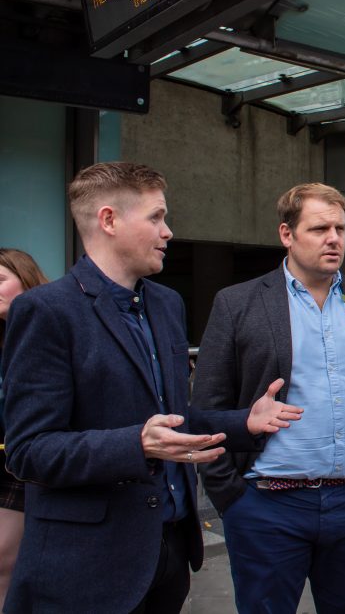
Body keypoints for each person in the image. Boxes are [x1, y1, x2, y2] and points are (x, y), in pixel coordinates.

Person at [1, 162, 302, 614]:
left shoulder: (165, 304)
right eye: (156, 217)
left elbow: (172, 419)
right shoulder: (47, 311)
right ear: (108, 220)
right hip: (86, 566)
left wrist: (245, 422)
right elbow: (28, 450)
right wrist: (136, 443)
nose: (169, 231)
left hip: (168, 554)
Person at [190, 183, 345, 614]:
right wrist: (231, 497)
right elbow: (206, 410)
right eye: (319, 228)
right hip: (266, 507)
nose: (334, 238)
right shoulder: (238, 304)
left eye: (340, 228)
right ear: (286, 234)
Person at [0, 249, 47, 608]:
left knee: (7, 558)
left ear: (26, 278)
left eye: (1, 279)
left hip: (27, 461)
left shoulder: (47, 326)